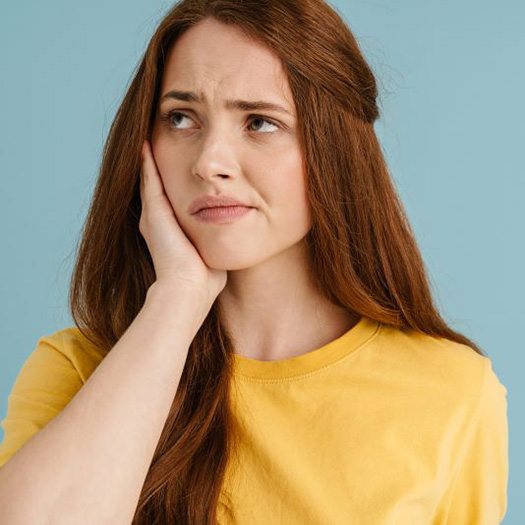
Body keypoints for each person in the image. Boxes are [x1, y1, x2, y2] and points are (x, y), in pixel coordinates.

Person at [0, 1, 508, 523]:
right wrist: (177, 298)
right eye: (180, 118)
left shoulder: (454, 393)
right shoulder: (81, 368)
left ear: (333, 149)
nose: (209, 162)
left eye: (260, 122)